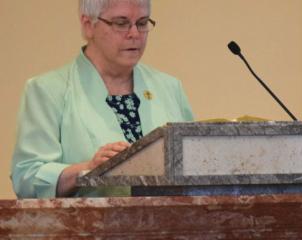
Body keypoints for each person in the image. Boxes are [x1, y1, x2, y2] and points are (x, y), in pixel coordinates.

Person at [11, 0, 193, 199]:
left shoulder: (169, 87)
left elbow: (195, 163)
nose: (134, 34)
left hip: (170, 225)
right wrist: (88, 170)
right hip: (86, 227)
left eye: (142, 23)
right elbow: (27, 178)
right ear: (88, 25)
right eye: (121, 23)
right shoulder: (47, 91)